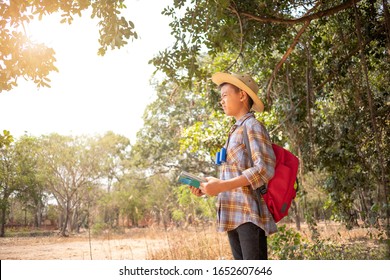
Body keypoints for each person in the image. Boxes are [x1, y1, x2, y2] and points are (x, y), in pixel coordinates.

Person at [190, 72, 277, 260]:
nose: (221, 101)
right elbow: (235, 174)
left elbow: (264, 169)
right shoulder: (234, 131)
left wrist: (222, 186)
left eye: (224, 95)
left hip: (248, 214)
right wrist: (209, 187)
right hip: (232, 214)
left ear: (242, 95)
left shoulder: (253, 126)